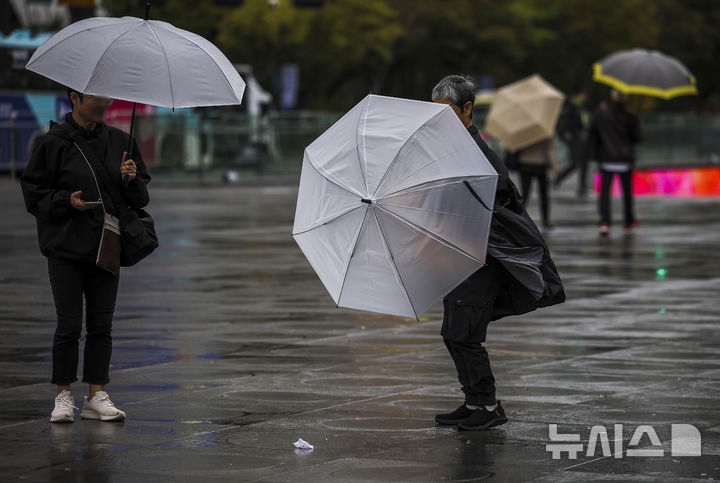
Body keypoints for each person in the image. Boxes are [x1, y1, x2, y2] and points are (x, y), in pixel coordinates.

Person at [431, 75, 565, 431]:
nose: (438, 120)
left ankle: (488, 406)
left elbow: (493, 205)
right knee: (453, 330)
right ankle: (473, 399)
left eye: (445, 112)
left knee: (466, 332)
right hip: (460, 253)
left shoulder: (475, 153)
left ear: (467, 109)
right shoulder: (452, 150)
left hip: (481, 256)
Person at [20, 87, 151, 423]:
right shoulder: (52, 143)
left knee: (101, 325)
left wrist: (132, 179)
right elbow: (34, 193)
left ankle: (96, 394)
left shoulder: (122, 142)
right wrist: (66, 200)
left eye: (107, 97)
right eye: (97, 97)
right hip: (65, 245)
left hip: (107, 244)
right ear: (74, 98)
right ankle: (63, 395)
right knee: (68, 325)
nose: (105, 103)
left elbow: (139, 198)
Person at [587, 89, 642, 235]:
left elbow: (592, 131)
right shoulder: (631, 117)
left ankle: (605, 221)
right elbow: (638, 138)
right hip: (625, 159)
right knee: (627, 192)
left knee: (605, 192)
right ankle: (628, 221)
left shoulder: (602, 115)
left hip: (606, 159)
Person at [517, 137, 560, 229]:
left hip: (525, 163)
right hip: (540, 164)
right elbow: (550, 149)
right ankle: (546, 220)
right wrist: (555, 167)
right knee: (544, 194)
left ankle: (519, 218)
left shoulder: (524, 130)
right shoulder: (545, 130)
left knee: (524, 194)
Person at [555, 90, 589, 196]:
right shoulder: (574, 106)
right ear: (580, 95)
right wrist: (571, 135)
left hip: (577, 138)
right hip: (575, 138)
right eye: (584, 95)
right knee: (579, 163)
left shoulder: (577, 106)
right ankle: (581, 187)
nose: (585, 98)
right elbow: (574, 123)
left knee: (579, 163)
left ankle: (581, 186)